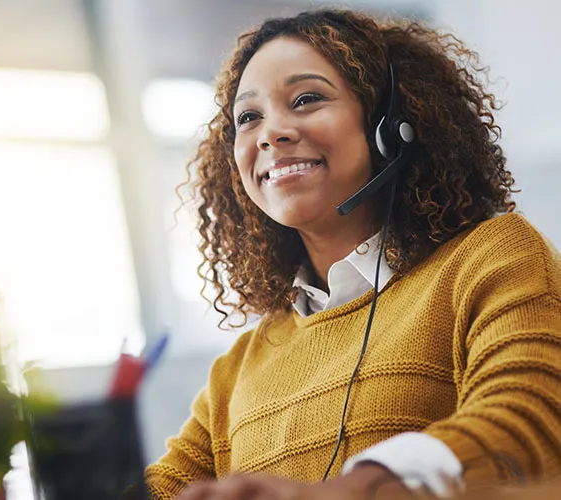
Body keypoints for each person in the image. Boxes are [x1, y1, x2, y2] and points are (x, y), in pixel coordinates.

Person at [144, 8, 561, 500]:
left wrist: (361, 488)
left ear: (392, 126)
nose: (271, 133)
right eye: (249, 117)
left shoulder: (492, 257)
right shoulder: (237, 369)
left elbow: (531, 419)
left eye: (306, 99)